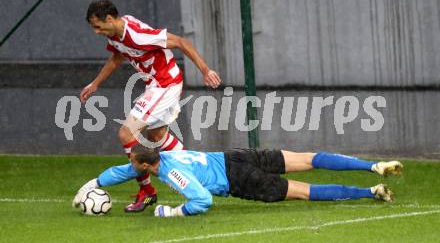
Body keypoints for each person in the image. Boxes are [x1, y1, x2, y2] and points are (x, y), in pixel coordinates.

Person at [75, 0, 221, 213]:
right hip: (156, 84)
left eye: (98, 26)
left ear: (109, 19)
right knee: (156, 135)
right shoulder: (114, 34)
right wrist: (95, 84)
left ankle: (147, 191)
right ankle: (196, 172)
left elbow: (181, 42)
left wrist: (206, 71)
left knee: (126, 133)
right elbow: (116, 58)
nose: (96, 32)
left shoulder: (136, 35)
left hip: (165, 84)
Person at [73, 145, 403, 217]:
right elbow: (124, 170)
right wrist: (94, 183)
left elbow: (202, 200)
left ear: (146, 164)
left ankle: (370, 191)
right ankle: (373, 166)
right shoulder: (167, 153)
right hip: (236, 156)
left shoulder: (173, 173)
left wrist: (171, 213)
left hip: (239, 178)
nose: (129, 163)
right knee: (308, 158)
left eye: (133, 161)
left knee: (306, 193)